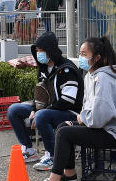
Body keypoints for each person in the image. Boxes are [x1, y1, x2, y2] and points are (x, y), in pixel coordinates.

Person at [32, 37, 116, 181]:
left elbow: (100, 116)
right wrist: (81, 119)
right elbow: (89, 108)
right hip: (102, 128)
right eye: (80, 53)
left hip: (114, 134)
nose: (81, 58)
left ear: (97, 58)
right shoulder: (90, 76)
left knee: (65, 132)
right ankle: (69, 173)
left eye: (84, 54)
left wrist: (82, 119)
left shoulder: (103, 79)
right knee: (63, 126)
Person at [25, 31, 83, 169]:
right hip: (50, 108)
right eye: (37, 50)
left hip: (70, 112)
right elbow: (39, 93)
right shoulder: (43, 68)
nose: (39, 54)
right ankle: (29, 150)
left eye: (41, 50)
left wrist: (42, 111)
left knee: (42, 115)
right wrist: (34, 109)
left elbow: (67, 101)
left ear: (50, 50)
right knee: (15, 110)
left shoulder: (67, 70)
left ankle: (52, 156)